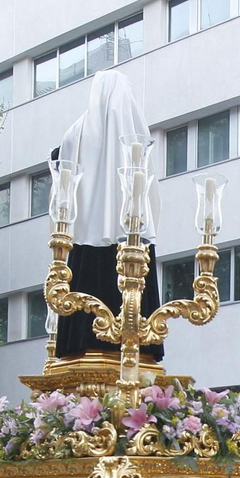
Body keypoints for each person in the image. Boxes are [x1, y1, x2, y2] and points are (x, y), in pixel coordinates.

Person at [54, 70, 164, 361]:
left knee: (80, 290)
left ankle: (79, 345)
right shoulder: (137, 132)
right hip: (131, 241)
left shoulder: (74, 133)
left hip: (85, 237)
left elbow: (61, 173)